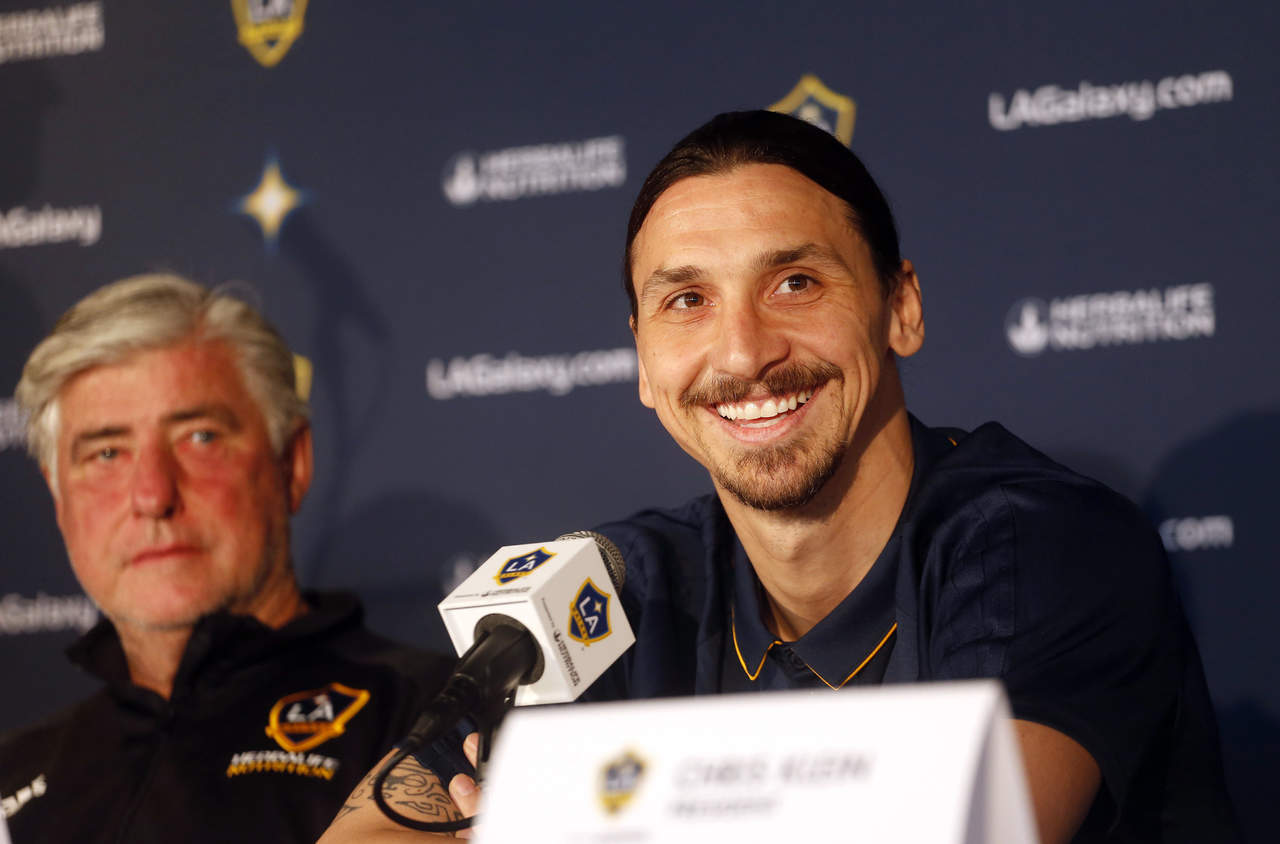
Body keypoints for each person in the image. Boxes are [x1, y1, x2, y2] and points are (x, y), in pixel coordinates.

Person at [320, 111, 1240, 843]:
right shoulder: (620, 589)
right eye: (688, 300)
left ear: (901, 307)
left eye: (794, 283)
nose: (743, 352)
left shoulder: (1041, 545)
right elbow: (373, 828)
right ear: (643, 363)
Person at [0, 274, 453, 843]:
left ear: (292, 463)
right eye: (107, 453)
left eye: (200, 438)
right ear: (57, 495)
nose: (153, 496)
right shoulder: (14, 772)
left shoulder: (439, 724)